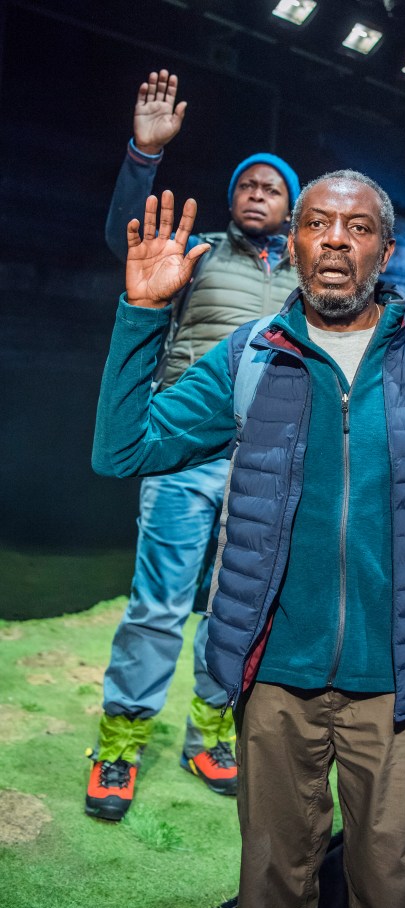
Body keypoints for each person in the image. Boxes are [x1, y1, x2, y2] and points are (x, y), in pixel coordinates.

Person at [92, 171, 405, 908]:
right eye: (316, 224)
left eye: (356, 227)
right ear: (296, 242)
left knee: (390, 896)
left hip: (404, 687)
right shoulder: (248, 356)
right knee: (273, 893)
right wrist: (143, 314)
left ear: (386, 249)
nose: (336, 240)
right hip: (276, 680)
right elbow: (124, 447)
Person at [85, 69, 300, 822]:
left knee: (237, 605)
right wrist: (144, 157)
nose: (258, 193)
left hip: (268, 465)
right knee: (158, 604)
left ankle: (209, 731)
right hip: (185, 450)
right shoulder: (197, 252)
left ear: (293, 208)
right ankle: (119, 743)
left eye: (274, 187)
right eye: (248, 183)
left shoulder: (310, 281)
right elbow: (126, 239)